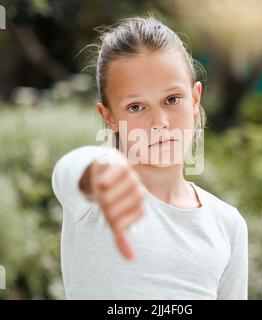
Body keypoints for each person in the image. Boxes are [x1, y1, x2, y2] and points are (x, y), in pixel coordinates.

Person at [51, 15, 248, 300]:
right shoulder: (92, 203)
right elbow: (68, 173)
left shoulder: (228, 225)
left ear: (195, 99)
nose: (159, 122)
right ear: (109, 117)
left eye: (171, 100)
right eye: (135, 106)